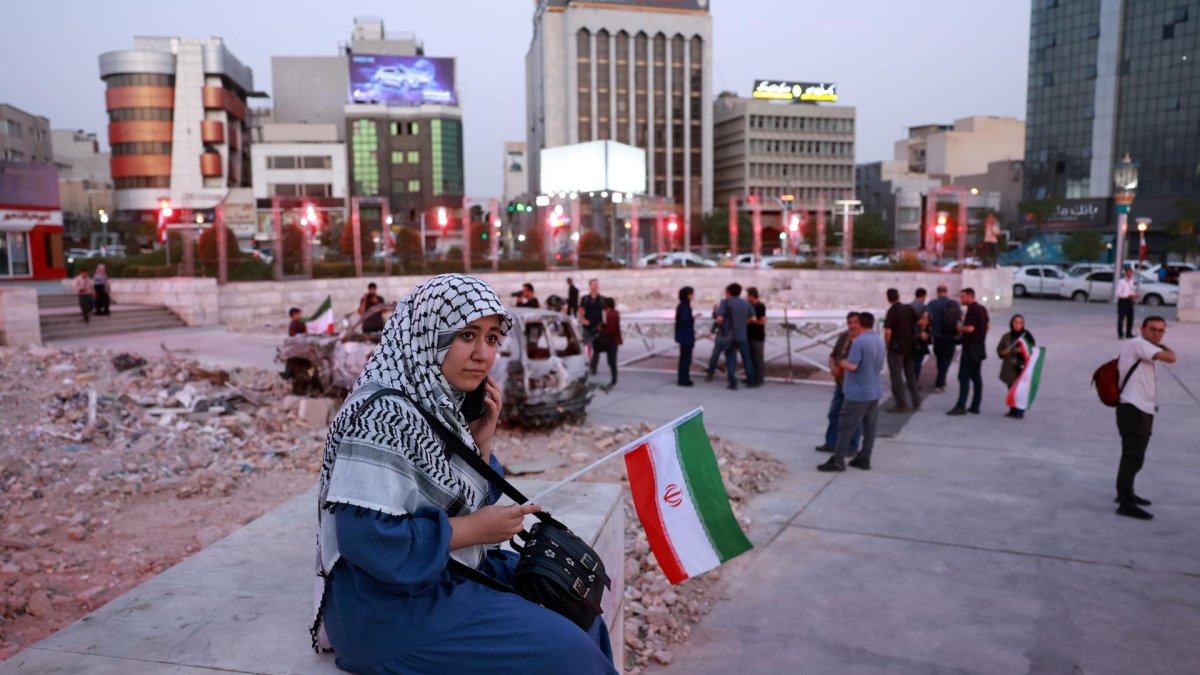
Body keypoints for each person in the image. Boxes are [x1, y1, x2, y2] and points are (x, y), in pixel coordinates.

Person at [311, 274, 616, 673]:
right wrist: (473, 531)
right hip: (387, 610)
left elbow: (461, 498)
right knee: (568, 654)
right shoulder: (382, 414)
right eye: (467, 335)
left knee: (579, 610)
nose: (483, 355)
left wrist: (481, 442)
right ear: (428, 331)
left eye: (491, 338)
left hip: (443, 575)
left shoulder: (434, 400)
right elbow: (365, 539)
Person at [1113, 316, 1176, 520]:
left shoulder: (1143, 346)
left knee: (1133, 455)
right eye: (1153, 329)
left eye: (1161, 331)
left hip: (1141, 409)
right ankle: (1125, 503)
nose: (1157, 334)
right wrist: (1161, 344)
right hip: (1133, 409)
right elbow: (1172, 357)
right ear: (1142, 329)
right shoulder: (1139, 344)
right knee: (1133, 456)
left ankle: (1126, 493)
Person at [818, 311, 884, 472]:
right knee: (869, 428)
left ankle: (838, 460)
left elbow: (853, 366)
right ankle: (864, 458)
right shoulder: (879, 340)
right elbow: (881, 366)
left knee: (846, 426)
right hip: (874, 390)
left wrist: (841, 362)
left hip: (858, 392)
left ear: (860, 324)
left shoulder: (859, 342)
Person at [815, 312, 863, 455]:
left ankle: (853, 446)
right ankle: (831, 442)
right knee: (834, 413)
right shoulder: (844, 337)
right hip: (840, 382)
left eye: (855, 322)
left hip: (854, 384)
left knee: (853, 416)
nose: (852, 325)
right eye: (850, 322)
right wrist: (833, 368)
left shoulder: (862, 341)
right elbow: (833, 355)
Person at [947, 288, 989, 415]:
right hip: (979, 347)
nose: (961, 299)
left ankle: (961, 405)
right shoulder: (982, 308)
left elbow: (970, 328)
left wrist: (960, 328)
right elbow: (988, 326)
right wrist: (980, 336)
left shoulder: (972, 309)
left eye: (963, 297)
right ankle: (975, 405)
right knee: (976, 376)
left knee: (963, 376)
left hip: (970, 348)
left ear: (970, 297)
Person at [883, 288, 920, 412]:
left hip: (896, 348)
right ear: (898, 296)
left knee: (896, 377)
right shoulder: (908, 309)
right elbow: (918, 322)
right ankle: (917, 402)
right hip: (909, 347)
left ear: (888, 298)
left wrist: (887, 345)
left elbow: (888, 331)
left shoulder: (892, 312)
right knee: (911, 375)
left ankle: (901, 404)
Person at [996, 314, 1034, 419]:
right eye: (1015, 322)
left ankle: (1020, 411)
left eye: (1020, 322)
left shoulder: (1026, 336)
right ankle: (1012, 409)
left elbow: (1032, 350)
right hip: (1009, 367)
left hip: (1022, 369)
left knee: (1021, 391)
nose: (1017, 325)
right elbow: (999, 350)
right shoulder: (1006, 336)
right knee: (1011, 389)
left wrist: (1022, 351)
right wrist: (1004, 352)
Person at [722, 283, 756, 390]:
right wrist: (744, 322)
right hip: (742, 334)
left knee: (731, 359)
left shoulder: (726, 303)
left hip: (730, 335)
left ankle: (733, 382)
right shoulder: (746, 303)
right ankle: (751, 380)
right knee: (746, 358)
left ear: (728, 292)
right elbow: (753, 318)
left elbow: (719, 318)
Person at [926, 286, 960, 393]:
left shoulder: (932, 303)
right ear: (946, 292)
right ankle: (940, 383)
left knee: (940, 359)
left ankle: (941, 381)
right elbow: (960, 319)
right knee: (946, 360)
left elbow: (926, 316)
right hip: (950, 337)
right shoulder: (954, 304)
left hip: (937, 337)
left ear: (937, 292)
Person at [591, 297, 623, 388]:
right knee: (610, 361)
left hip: (612, 341)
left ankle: (614, 381)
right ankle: (613, 381)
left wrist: (601, 328)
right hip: (610, 341)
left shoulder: (613, 314)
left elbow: (611, 329)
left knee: (612, 361)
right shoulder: (609, 313)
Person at [578, 279, 605, 369]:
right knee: (587, 347)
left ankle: (594, 366)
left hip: (598, 327)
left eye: (596, 285)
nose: (595, 287)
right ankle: (588, 363)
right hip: (587, 327)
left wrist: (604, 324)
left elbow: (605, 312)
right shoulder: (585, 299)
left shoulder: (602, 299)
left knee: (596, 348)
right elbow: (580, 311)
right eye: (593, 285)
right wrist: (583, 320)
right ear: (590, 286)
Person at [674, 286, 696, 387]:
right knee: (686, 359)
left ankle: (683, 378)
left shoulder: (683, 306)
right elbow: (685, 320)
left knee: (684, 358)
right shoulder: (684, 306)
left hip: (683, 335)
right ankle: (683, 379)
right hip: (686, 336)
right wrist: (692, 319)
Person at [705, 298, 729, 382]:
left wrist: (712, 331)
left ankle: (710, 374)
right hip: (728, 336)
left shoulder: (722, 310)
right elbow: (716, 319)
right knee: (729, 356)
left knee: (715, 355)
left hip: (722, 335)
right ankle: (729, 376)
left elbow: (716, 320)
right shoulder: (732, 310)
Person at [746, 287, 767, 387]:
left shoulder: (760, 306)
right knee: (750, 358)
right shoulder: (749, 306)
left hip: (758, 336)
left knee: (758, 358)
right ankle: (751, 377)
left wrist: (753, 321)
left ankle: (759, 378)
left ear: (751, 296)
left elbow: (763, 322)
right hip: (749, 335)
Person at [910, 288, 929, 378]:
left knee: (911, 360)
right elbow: (925, 323)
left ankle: (910, 379)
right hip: (919, 337)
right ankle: (915, 381)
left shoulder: (909, 306)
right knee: (918, 361)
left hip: (910, 336)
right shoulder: (923, 307)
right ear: (923, 296)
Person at [1116, 267, 1138, 339]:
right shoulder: (1121, 282)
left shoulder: (1132, 281)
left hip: (1130, 301)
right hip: (1122, 301)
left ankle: (1129, 333)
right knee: (1121, 318)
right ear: (1125, 273)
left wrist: (1134, 295)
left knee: (1130, 318)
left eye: (1131, 272)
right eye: (1128, 272)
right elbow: (1118, 294)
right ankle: (1120, 334)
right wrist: (1128, 295)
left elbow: (1131, 290)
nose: (1130, 273)